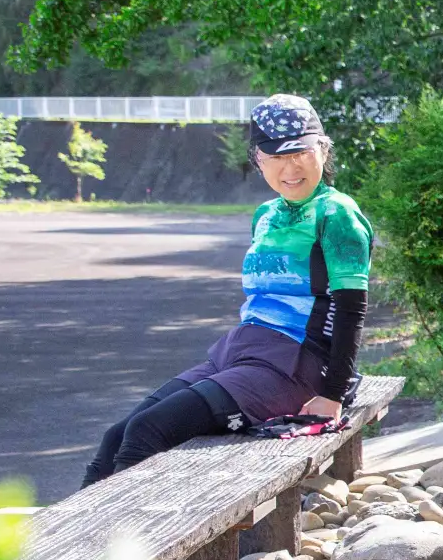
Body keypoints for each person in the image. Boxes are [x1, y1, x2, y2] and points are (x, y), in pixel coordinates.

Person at [82, 95, 374, 485]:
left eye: (301, 153)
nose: (290, 167)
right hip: (241, 352)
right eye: (276, 156)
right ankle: (68, 526)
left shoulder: (336, 214)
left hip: (294, 365)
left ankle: (121, 526)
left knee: (148, 432)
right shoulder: (266, 215)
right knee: (117, 435)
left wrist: (333, 394)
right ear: (258, 160)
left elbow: (351, 310)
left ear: (322, 150)